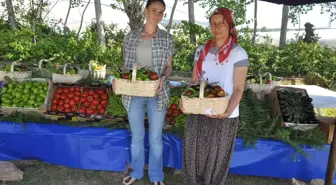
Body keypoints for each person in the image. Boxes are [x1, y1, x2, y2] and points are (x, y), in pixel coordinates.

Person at [182, 7, 249, 185]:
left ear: (230, 26)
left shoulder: (238, 53)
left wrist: (227, 113)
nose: (217, 27)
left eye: (221, 23)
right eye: (213, 23)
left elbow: (239, 89)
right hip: (199, 111)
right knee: (193, 154)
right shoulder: (201, 51)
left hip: (223, 115)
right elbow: (194, 81)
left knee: (216, 158)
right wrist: (187, 100)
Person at [115, 0, 174, 185]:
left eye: (161, 12)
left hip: (157, 93)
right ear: (145, 10)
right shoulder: (131, 37)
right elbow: (126, 66)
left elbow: (169, 67)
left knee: (156, 138)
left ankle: (156, 176)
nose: (157, 15)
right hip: (134, 93)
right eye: (154, 10)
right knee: (137, 136)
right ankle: (137, 171)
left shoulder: (167, 38)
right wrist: (119, 81)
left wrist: (163, 77)